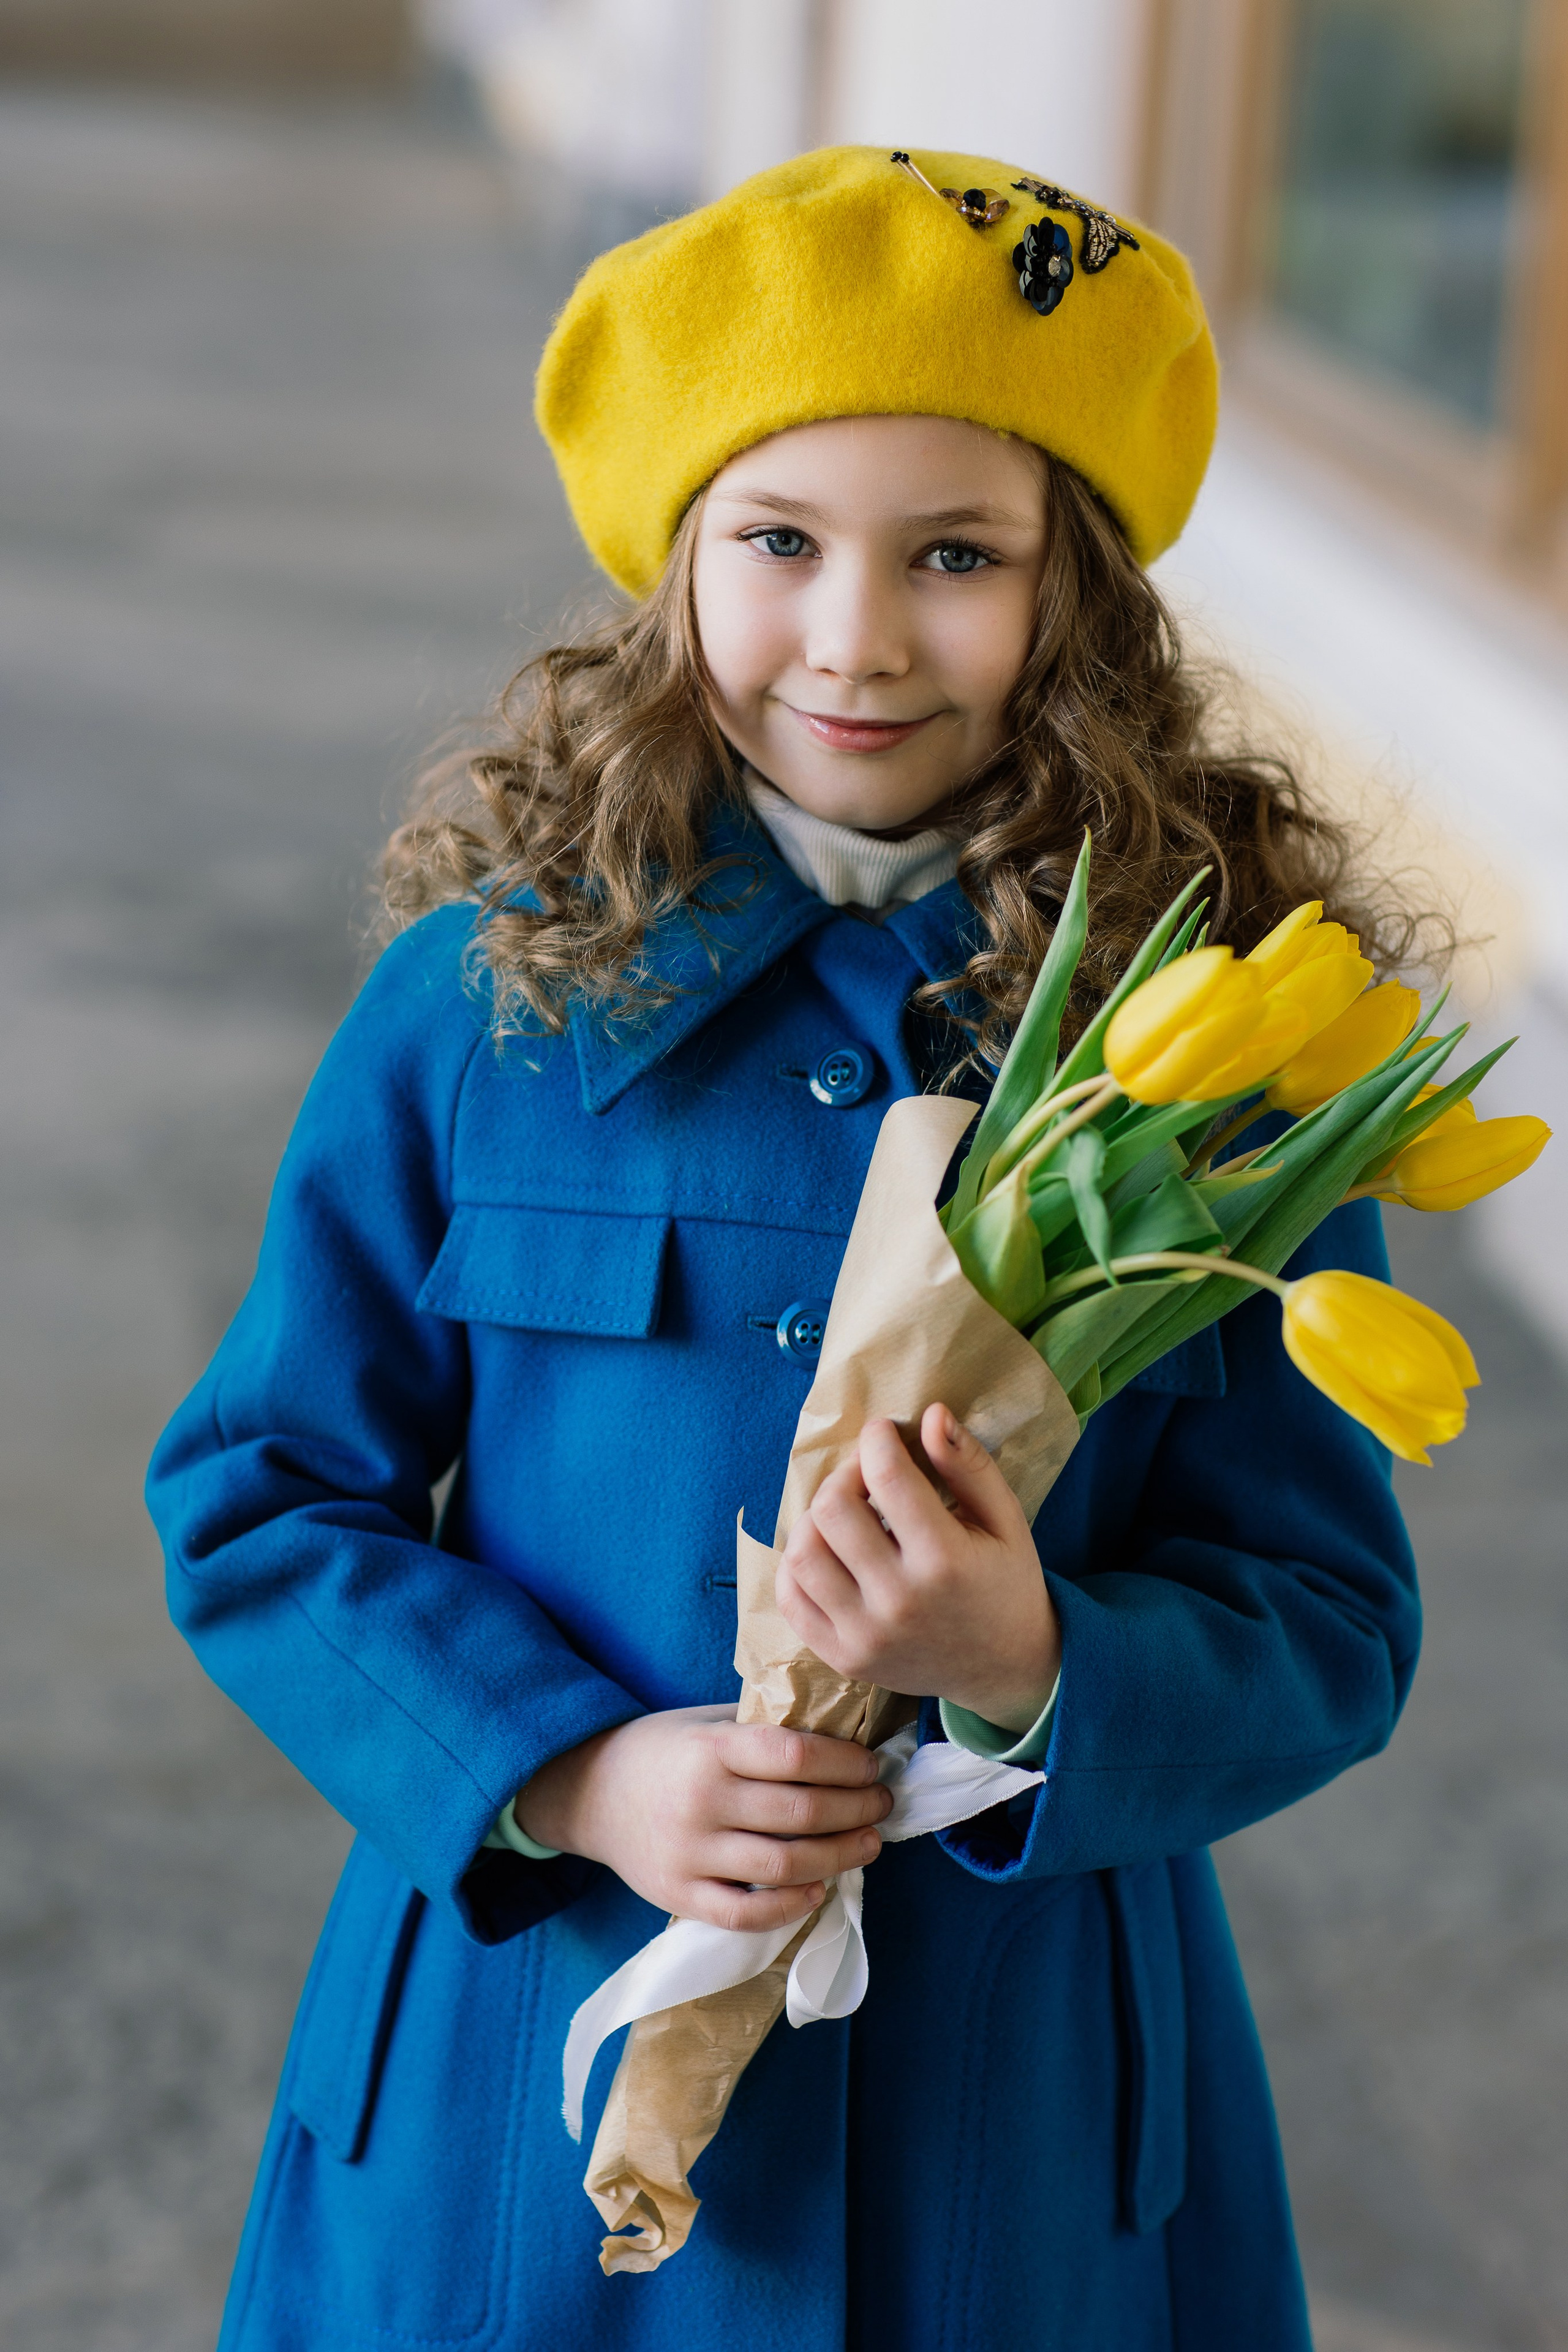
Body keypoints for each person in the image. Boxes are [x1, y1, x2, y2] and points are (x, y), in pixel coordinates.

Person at [147, 146, 1420, 2351]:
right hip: (517, 2123)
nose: (856, 634)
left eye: (957, 553)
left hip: (1005, 2148)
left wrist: (1033, 1661)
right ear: (676, 566)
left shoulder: (1219, 1045)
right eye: (779, 540)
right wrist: (573, 1767)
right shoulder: (479, 1007)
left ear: (1073, 595)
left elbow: (1327, 1620)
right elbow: (263, 1504)